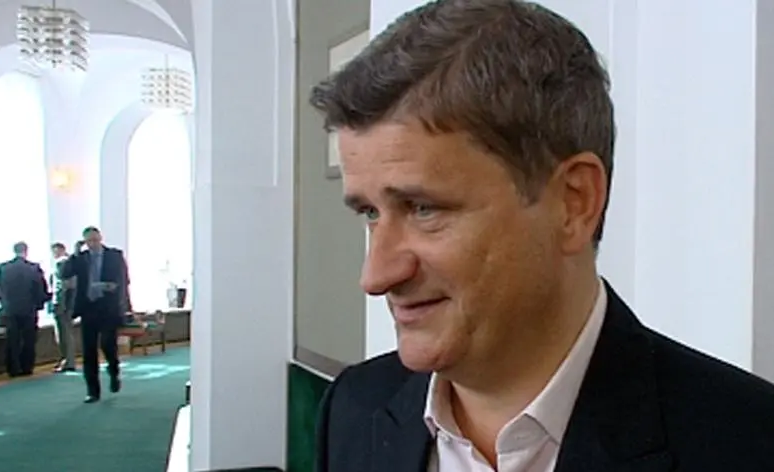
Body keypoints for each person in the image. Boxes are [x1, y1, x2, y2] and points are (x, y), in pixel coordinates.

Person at [308, 1, 774, 470]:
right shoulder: (355, 409)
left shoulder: (749, 443)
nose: (376, 275)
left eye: (423, 209)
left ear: (574, 203)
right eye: (370, 212)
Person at [62, 226, 129, 403]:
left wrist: (119, 296)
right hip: (88, 308)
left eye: (95, 240)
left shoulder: (114, 255)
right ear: (85, 242)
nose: (93, 244)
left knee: (108, 345)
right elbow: (64, 274)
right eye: (89, 241)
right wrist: (74, 253)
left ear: (100, 238)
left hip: (108, 307)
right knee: (89, 350)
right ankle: (93, 391)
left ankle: (114, 372)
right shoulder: (81, 258)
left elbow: (124, 280)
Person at [0, 241, 49, 377]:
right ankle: (27, 367)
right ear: (26, 251)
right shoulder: (33, 268)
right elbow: (40, 289)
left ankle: (13, 368)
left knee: (12, 339)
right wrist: (40, 304)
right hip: (29, 309)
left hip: (10, 308)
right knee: (28, 340)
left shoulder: (4, 268)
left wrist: (4, 304)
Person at [49, 242, 76, 372]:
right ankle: (67, 360)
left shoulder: (62, 263)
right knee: (66, 333)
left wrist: (61, 305)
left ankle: (67, 361)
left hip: (62, 304)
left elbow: (64, 287)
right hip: (67, 304)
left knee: (63, 334)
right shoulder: (70, 262)